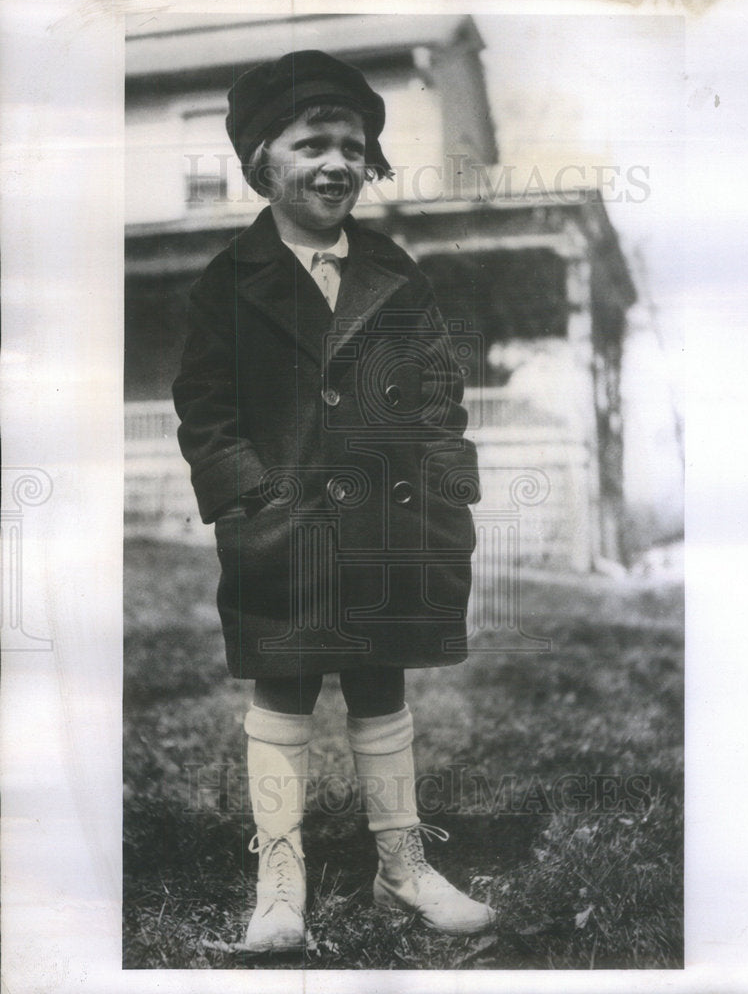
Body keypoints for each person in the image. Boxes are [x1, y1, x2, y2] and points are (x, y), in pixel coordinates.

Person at [173, 49, 492, 954]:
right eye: (312, 142)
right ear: (262, 163)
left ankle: (402, 863)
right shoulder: (226, 282)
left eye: (352, 146)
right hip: (285, 526)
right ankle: (280, 875)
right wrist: (250, 499)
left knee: (380, 683)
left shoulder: (395, 269)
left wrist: (443, 485)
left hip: (391, 522)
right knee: (283, 690)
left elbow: (436, 391)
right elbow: (206, 407)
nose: (336, 162)